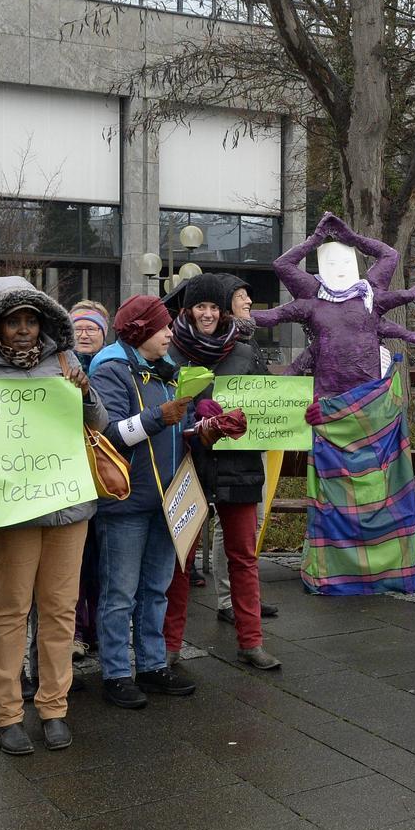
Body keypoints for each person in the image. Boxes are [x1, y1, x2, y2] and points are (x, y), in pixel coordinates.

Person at [0, 278, 108, 754]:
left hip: (68, 508)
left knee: (60, 611)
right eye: (13, 321)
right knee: (8, 611)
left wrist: (84, 392)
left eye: (31, 320)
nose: (24, 330)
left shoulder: (66, 363)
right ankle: (5, 713)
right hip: (9, 515)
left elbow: (98, 424)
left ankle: (54, 707)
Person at [88, 294, 206, 708]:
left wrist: (206, 429)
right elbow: (109, 434)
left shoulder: (168, 372)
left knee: (157, 588)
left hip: (167, 500)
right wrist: (161, 417)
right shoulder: (110, 370)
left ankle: (153, 665)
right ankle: (117, 673)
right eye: (163, 328)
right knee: (119, 593)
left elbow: (181, 430)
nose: (170, 333)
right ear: (140, 331)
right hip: (125, 502)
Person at [169, 274, 276, 669]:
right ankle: (170, 645)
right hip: (187, 467)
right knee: (180, 560)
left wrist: (300, 417)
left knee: (243, 557)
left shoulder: (245, 354)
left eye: (215, 307)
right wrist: (192, 421)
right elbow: (158, 415)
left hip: (238, 467)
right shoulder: (170, 354)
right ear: (188, 310)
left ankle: (251, 642)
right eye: (201, 307)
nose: (209, 314)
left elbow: (268, 409)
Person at [209, 274, 280, 626]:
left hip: (255, 441)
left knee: (254, 522)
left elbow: (262, 385)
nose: (248, 301)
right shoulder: (219, 343)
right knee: (230, 526)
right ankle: (227, 599)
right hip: (229, 447)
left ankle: (245, 596)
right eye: (240, 296)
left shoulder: (248, 340)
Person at [69, 300, 111, 648]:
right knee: (76, 563)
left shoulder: (109, 367)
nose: (84, 333)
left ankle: (98, 627)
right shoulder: (59, 367)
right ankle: (78, 630)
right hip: (72, 476)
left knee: (101, 560)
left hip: (105, 475)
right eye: (78, 327)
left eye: (91, 328)